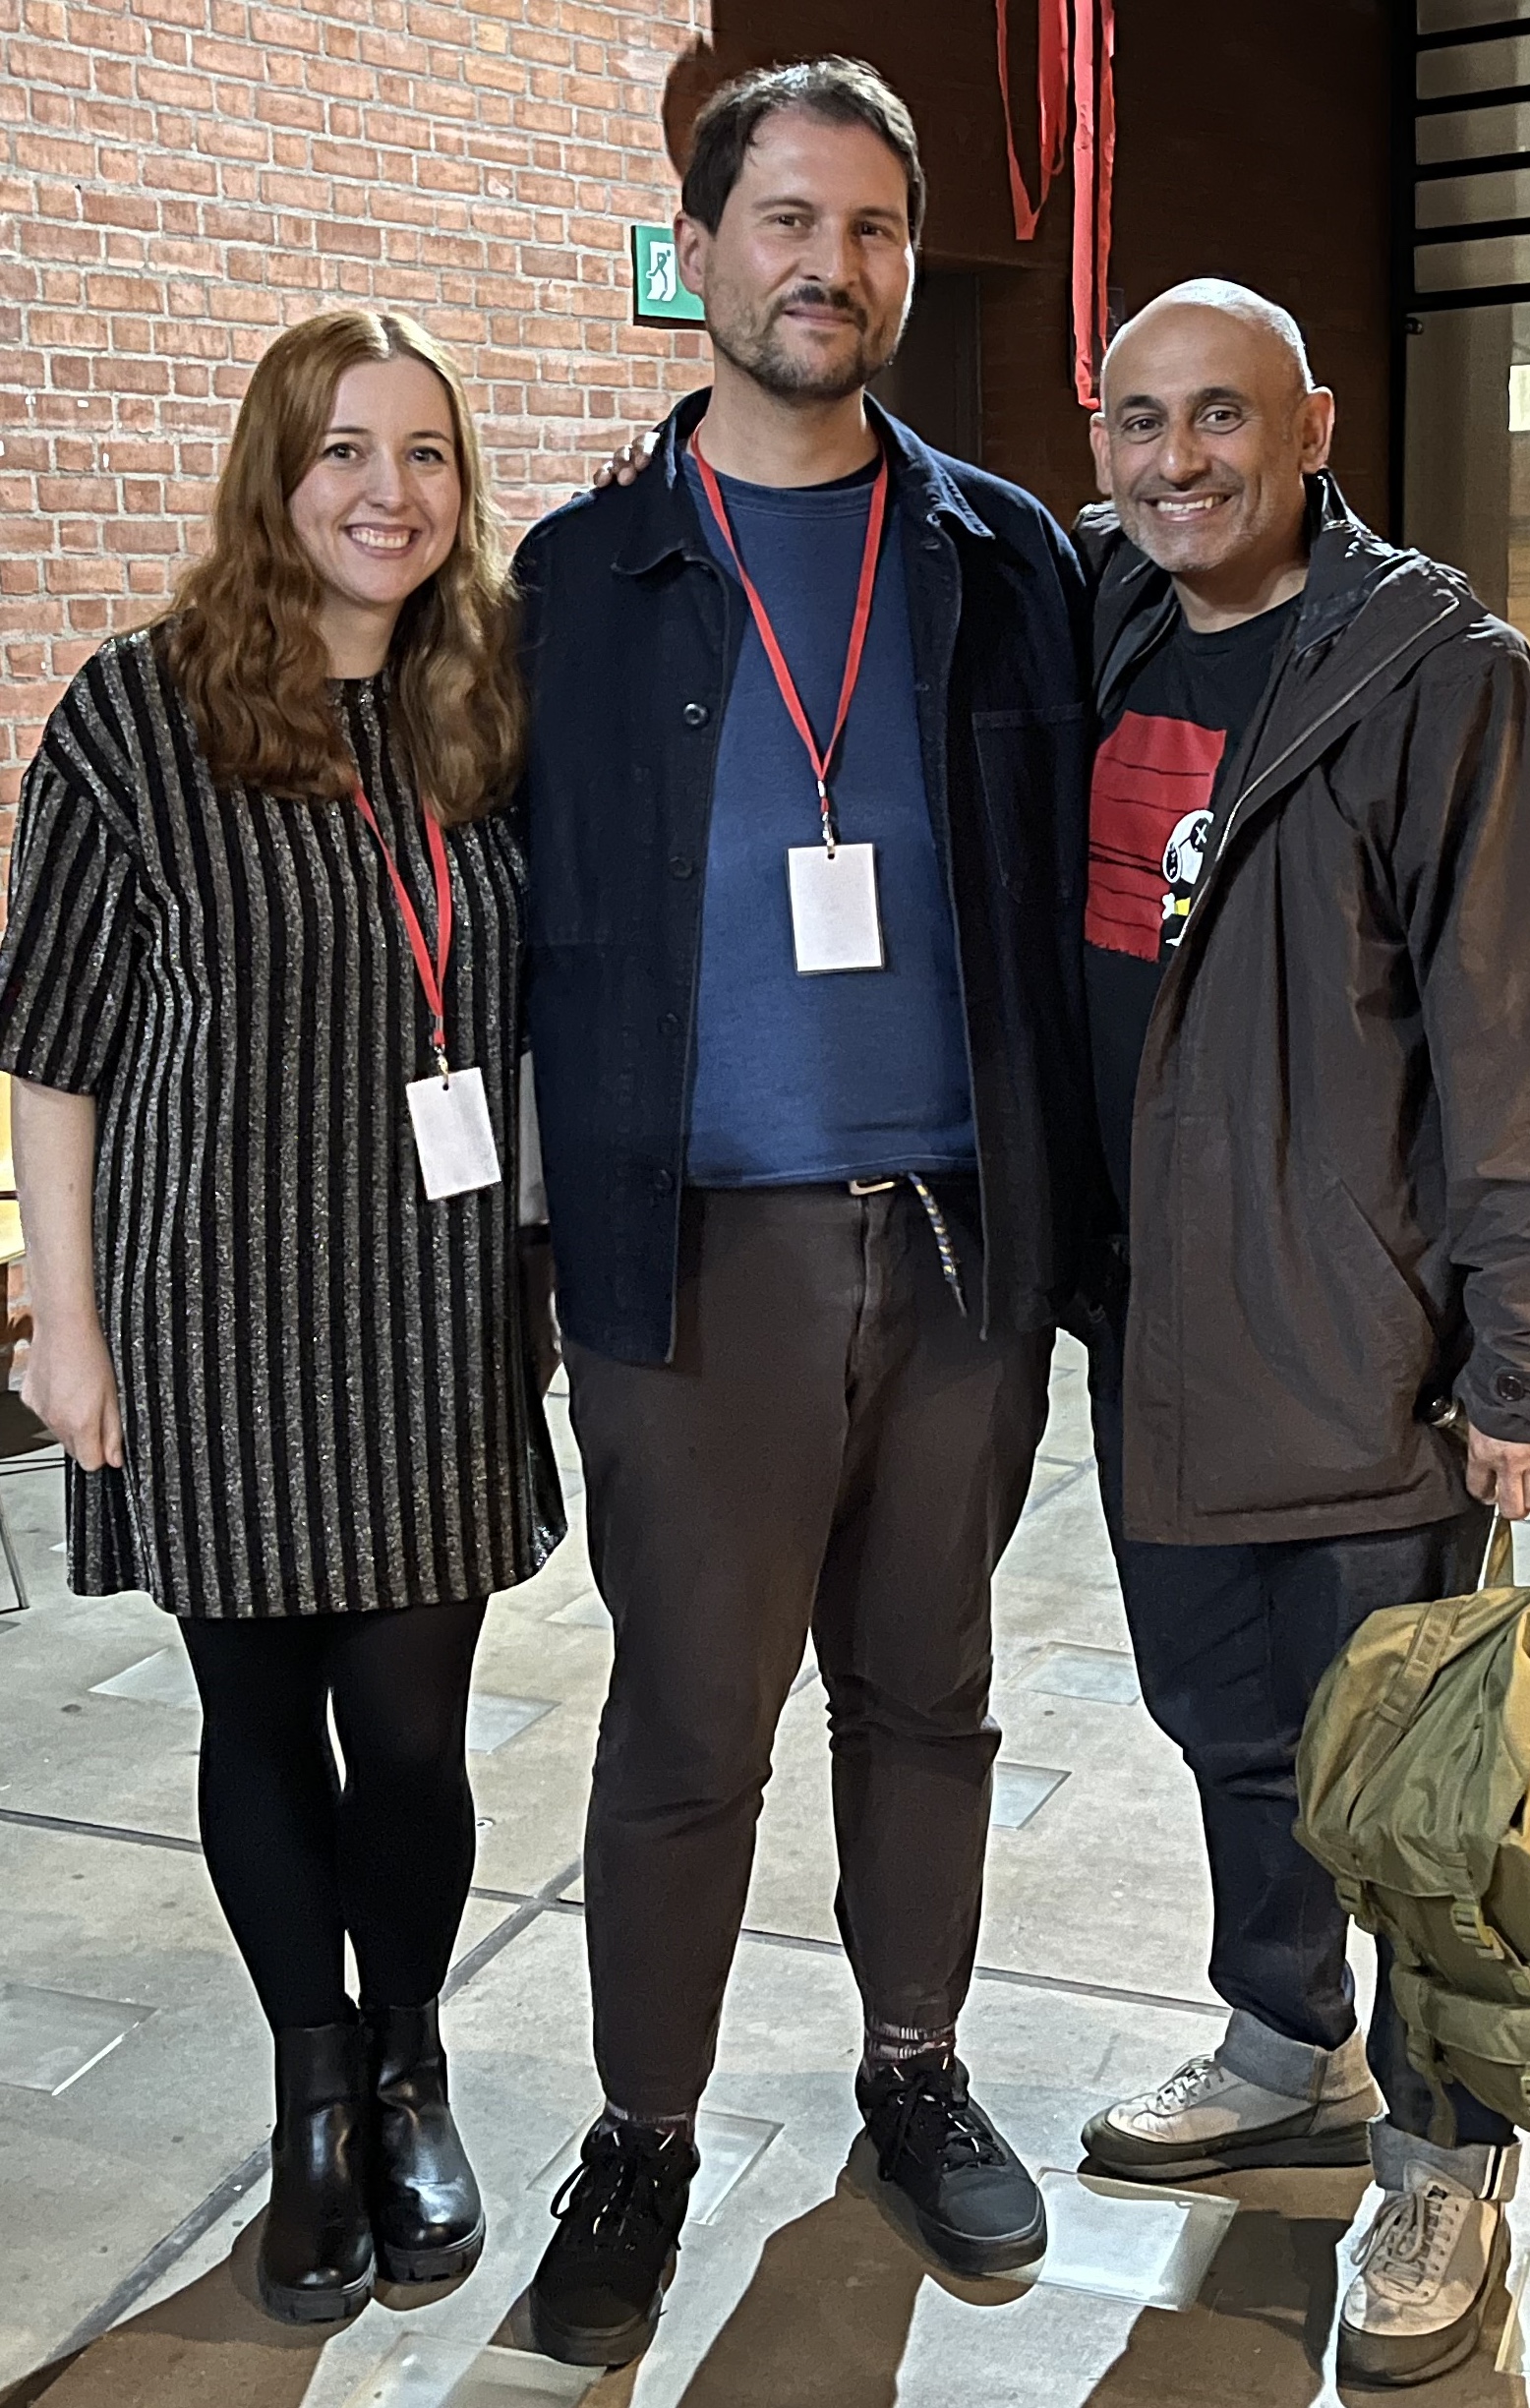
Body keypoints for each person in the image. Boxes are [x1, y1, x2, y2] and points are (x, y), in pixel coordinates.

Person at [514, 58, 1094, 2371]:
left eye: (870, 226)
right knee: (688, 1724)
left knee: (928, 1695)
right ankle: (642, 2132)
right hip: (694, 1262)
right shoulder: (578, 583)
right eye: (783, 219)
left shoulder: (1009, 561)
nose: (827, 265)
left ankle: (913, 2070)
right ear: (699, 252)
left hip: (957, 1243)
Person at [1071, 280, 1530, 2387]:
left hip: (1361, 1346)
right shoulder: (1110, 623)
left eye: (1222, 416)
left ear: (1310, 427)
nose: (1180, 460)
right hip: (1158, 1328)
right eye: (1140, 420)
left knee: (1416, 1780)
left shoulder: (1433, 673)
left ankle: (1442, 2149)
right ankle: (1281, 2035)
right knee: (1227, 1724)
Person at [0, 309, 563, 2326]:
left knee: (408, 1734)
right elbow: (53, 1049)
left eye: (425, 453)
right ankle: (312, 2095)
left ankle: (409, 2066)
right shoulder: (136, 715)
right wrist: (65, 1328)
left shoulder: (485, 702)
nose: (386, 494)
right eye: (343, 451)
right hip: (212, 1304)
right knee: (256, 1721)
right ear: (274, 474)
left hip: (433, 1301)